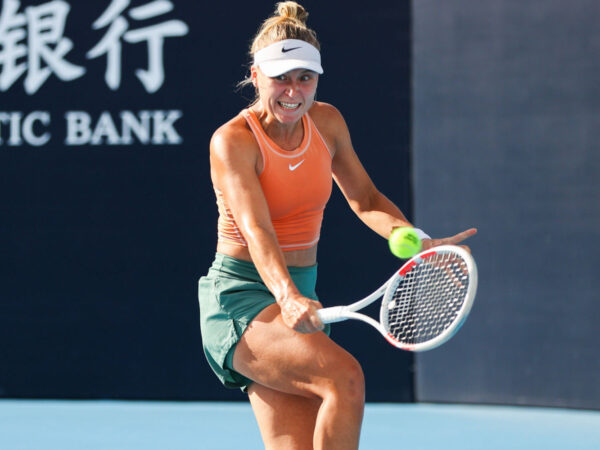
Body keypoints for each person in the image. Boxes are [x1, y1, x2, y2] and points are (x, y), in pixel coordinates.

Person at [198, 2, 477, 449]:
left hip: (299, 296)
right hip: (243, 300)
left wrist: (413, 239)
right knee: (345, 379)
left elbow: (365, 199)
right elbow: (257, 229)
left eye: (304, 78)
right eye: (280, 77)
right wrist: (287, 296)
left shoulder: (327, 123)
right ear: (255, 77)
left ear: (317, 80)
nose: (293, 90)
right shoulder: (233, 141)